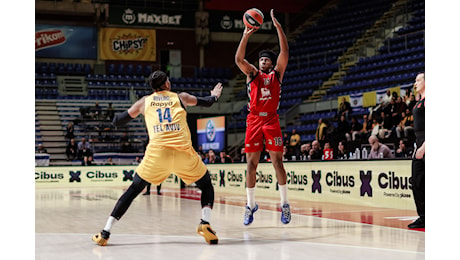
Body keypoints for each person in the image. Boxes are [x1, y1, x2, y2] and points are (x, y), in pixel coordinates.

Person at [92, 70, 223, 246]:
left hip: (157, 154)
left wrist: (112, 120)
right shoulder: (180, 97)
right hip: (183, 153)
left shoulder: (144, 102)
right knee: (206, 185)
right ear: (167, 84)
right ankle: (204, 223)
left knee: (132, 191)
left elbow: (119, 120)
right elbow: (207, 103)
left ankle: (105, 232)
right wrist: (214, 96)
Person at [235, 9, 291, 225]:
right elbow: (239, 58)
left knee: (278, 163)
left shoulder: (277, 74)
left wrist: (278, 27)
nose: (264, 62)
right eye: (262, 60)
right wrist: (245, 35)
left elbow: (285, 52)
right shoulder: (251, 74)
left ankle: (285, 205)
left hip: (272, 120)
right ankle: (250, 206)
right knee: (250, 165)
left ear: (271, 63)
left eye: (268, 60)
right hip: (254, 120)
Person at [408, 72, 425, 229]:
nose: (415, 82)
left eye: (419, 80)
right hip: (419, 141)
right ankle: (424, 216)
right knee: (417, 180)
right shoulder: (419, 101)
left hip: (426, 141)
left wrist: (425, 146)